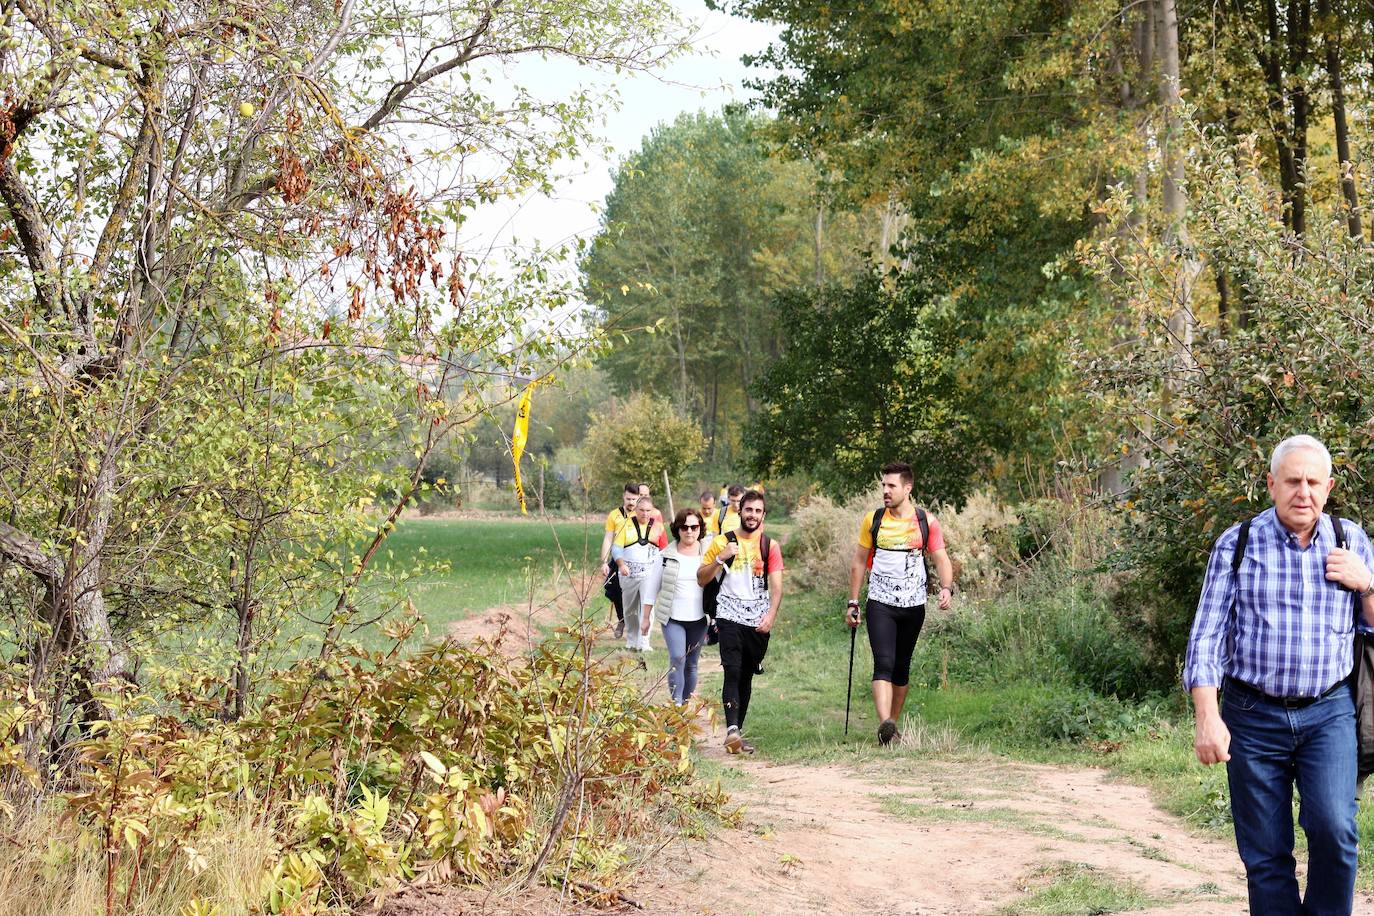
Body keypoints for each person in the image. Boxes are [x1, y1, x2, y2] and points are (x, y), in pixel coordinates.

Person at [1185, 434, 1374, 916]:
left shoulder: (1351, 541)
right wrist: (1208, 717)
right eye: (1292, 481)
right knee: (1265, 853)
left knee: (1336, 831)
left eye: (1313, 482)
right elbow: (1206, 638)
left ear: (1329, 487)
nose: (1303, 492)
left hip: (1329, 712)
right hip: (1251, 716)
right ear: (1271, 484)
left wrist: (1367, 583)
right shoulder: (1238, 544)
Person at [845, 462, 954, 746]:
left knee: (902, 667)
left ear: (908, 488)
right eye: (883, 485)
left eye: (891, 486)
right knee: (884, 662)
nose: (885, 490)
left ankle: (892, 726)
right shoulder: (874, 520)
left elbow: (941, 557)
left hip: (913, 604)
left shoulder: (925, 521)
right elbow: (858, 562)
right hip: (880, 602)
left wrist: (946, 588)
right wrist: (853, 601)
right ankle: (885, 724)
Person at [698, 489, 783, 754]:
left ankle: (737, 734)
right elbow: (701, 578)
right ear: (740, 512)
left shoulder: (770, 546)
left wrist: (770, 616)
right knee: (732, 669)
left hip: (757, 618)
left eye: (758, 511)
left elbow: (778, 588)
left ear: (763, 515)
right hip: (728, 614)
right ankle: (731, 729)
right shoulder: (723, 541)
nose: (752, 515)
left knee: (746, 675)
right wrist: (720, 558)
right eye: (749, 510)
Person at [644, 508, 709, 706]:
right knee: (677, 658)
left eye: (694, 527)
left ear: (700, 529)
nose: (689, 531)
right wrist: (645, 617)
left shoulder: (708, 555)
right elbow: (652, 587)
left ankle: (686, 702)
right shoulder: (665, 555)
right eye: (684, 527)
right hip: (673, 618)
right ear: (677, 529)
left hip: (699, 619)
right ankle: (676, 704)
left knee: (691, 664)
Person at [612, 495, 668, 652]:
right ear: (636, 510)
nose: (645, 513)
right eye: (642, 510)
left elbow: (664, 549)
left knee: (646, 607)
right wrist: (621, 564)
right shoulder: (624, 525)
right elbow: (616, 548)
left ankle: (644, 641)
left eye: (648, 510)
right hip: (628, 573)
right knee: (629, 608)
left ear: (653, 511)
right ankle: (631, 639)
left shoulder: (658, 527)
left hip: (649, 573)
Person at [600, 483, 641, 639]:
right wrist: (604, 561)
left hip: (637, 559)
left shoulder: (641, 514)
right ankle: (622, 619)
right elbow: (608, 538)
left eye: (634, 499)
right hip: (618, 559)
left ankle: (637, 623)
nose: (631, 502)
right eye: (628, 498)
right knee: (613, 588)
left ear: (639, 498)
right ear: (624, 496)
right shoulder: (614, 515)